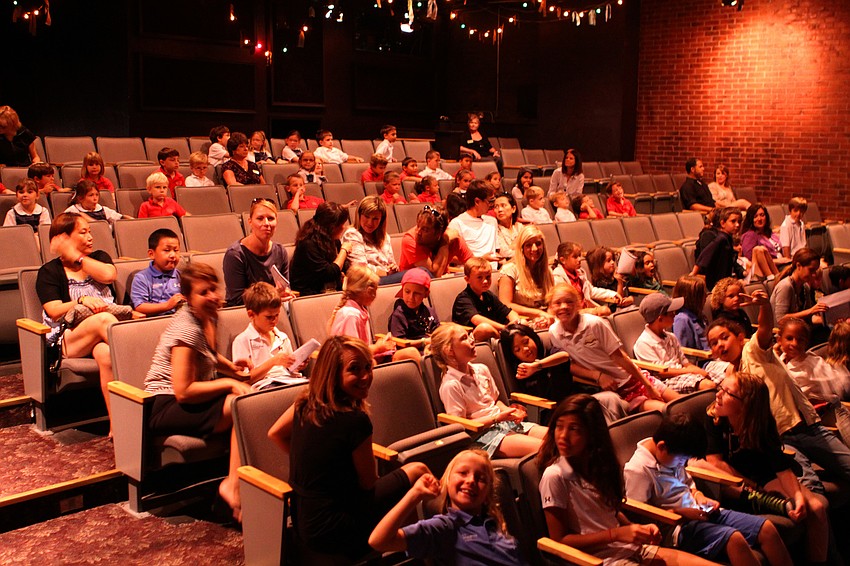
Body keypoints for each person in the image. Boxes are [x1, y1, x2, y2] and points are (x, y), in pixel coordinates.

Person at [268, 336, 429, 558]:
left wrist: (317, 466)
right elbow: (368, 483)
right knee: (416, 472)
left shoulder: (305, 401)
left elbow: (275, 433)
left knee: (405, 481)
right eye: (354, 369)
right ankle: (421, 550)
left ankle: (415, 546)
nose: (365, 376)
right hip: (339, 526)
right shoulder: (355, 421)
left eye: (368, 367)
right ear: (333, 375)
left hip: (304, 520)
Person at [706, 290, 850, 500]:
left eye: (724, 337)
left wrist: (764, 306)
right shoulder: (730, 377)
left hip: (806, 427)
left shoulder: (753, 351)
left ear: (739, 337)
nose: (720, 344)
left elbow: (764, 329)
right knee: (813, 491)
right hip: (780, 440)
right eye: (713, 343)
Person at [538, 395, 712, 566]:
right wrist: (616, 534)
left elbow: (609, 510)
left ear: (591, 434)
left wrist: (637, 530)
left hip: (631, 548)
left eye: (574, 429)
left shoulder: (598, 465)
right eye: (559, 427)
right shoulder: (555, 475)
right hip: (600, 559)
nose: (562, 436)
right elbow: (560, 540)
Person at [143, 262, 252, 521]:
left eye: (214, 289)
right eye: (204, 292)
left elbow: (208, 356)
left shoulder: (208, 316)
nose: (212, 296)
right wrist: (229, 383)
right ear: (188, 298)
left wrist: (231, 368)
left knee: (250, 399)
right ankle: (232, 483)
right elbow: (183, 390)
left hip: (184, 400)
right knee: (240, 404)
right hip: (163, 404)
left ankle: (244, 485)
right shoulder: (186, 329)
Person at [624, 414, 791, 566]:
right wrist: (680, 512)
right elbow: (640, 516)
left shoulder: (671, 450)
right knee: (735, 539)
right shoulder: (638, 470)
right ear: (662, 447)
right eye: (682, 460)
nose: (683, 464)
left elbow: (688, 483)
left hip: (699, 512)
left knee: (767, 529)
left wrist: (699, 495)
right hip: (675, 528)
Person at [700, 371, 831, 564]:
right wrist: (751, 484)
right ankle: (779, 505)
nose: (718, 395)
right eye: (720, 388)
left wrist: (797, 496)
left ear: (746, 404)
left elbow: (781, 468)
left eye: (727, 392)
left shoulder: (762, 423)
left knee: (817, 508)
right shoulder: (714, 418)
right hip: (734, 484)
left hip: (765, 477)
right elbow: (715, 463)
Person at [37, 213, 124, 429]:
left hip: (104, 336)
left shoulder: (99, 257)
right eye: (83, 232)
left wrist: (78, 257)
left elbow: (109, 275)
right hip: (71, 338)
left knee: (106, 356)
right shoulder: (49, 271)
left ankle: (118, 426)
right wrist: (81, 301)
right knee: (104, 319)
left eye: (90, 231)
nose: (90, 237)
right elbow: (54, 310)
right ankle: (133, 356)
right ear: (64, 237)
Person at [369, 449, 529, 565]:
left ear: (488, 492)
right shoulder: (444, 527)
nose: (471, 481)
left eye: (480, 478)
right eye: (463, 473)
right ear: (447, 481)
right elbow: (379, 541)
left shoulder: (494, 523)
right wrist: (414, 495)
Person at [547, 284, 676, 412]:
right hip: (614, 390)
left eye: (569, 302)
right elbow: (569, 364)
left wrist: (647, 385)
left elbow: (619, 356)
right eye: (558, 303)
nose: (564, 307)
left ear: (578, 303)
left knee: (680, 404)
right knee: (664, 410)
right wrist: (597, 375)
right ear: (551, 307)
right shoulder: (554, 332)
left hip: (632, 378)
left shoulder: (594, 324)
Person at [431, 323, 545, 457]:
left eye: (469, 335)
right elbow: (461, 427)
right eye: (464, 338)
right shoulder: (451, 385)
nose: (472, 340)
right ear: (449, 351)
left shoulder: (481, 369)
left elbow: (495, 402)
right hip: (482, 437)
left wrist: (509, 412)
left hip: (504, 424)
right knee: (545, 449)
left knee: (558, 439)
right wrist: (496, 418)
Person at [633, 293, 723, 393]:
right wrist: (692, 371)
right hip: (665, 382)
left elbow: (685, 363)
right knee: (708, 385)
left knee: (722, 379)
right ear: (660, 319)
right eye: (671, 312)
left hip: (683, 374)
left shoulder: (671, 337)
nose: (675, 314)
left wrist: (700, 371)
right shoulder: (644, 343)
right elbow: (661, 373)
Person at [329, 265, 420, 363]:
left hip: (365, 359)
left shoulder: (360, 310)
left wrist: (382, 344)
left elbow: (364, 346)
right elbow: (352, 353)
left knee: (411, 353)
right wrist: (378, 348)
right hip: (354, 366)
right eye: (375, 290)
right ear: (369, 291)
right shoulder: (351, 315)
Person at [231, 282, 303, 386]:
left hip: (288, 381)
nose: (274, 320)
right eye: (269, 317)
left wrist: (298, 364)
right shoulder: (242, 341)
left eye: (277, 315)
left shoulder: (282, 337)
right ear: (251, 315)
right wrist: (273, 361)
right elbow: (244, 380)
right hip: (263, 387)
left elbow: (291, 371)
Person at [223, 197, 290, 306]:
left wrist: (286, 293)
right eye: (260, 218)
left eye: (271, 218)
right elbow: (236, 300)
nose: (266, 223)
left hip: (275, 308)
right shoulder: (235, 254)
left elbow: (285, 287)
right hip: (246, 312)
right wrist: (274, 296)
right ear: (250, 222)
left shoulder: (280, 251)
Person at [775, 317, 850, 406]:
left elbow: (840, 383)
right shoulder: (779, 360)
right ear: (779, 340)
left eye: (800, 340)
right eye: (789, 338)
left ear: (806, 342)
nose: (794, 343)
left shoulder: (813, 363)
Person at [290, 201, 351, 296]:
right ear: (330, 226)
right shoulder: (308, 244)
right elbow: (329, 274)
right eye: (340, 224)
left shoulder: (333, 240)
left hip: (331, 292)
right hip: (310, 296)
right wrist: (344, 250)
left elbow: (345, 266)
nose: (343, 227)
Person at [498, 225, 555, 324]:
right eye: (528, 245)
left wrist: (547, 316)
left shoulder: (547, 271)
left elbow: (552, 301)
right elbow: (505, 304)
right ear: (522, 248)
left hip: (544, 319)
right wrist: (538, 313)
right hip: (521, 321)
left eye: (538, 244)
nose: (534, 249)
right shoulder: (510, 270)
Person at [453, 257, 520, 340]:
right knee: (485, 329)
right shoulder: (463, 299)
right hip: (469, 338)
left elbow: (508, 312)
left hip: (496, 334)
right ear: (467, 279)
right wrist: (505, 328)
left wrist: (517, 322)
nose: (485, 281)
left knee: (522, 324)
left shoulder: (488, 295)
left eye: (488, 277)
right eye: (479, 277)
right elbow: (477, 320)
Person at [343, 195, 403, 284]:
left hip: (386, 279)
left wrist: (393, 267)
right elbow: (361, 268)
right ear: (359, 215)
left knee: (419, 274)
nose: (370, 223)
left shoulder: (384, 237)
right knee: (417, 274)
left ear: (381, 220)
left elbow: (391, 263)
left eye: (375, 219)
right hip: (366, 281)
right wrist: (386, 272)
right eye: (367, 217)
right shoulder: (352, 234)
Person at [769, 247, 827, 338]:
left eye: (815, 271)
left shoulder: (805, 287)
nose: (813, 275)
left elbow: (807, 318)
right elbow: (781, 320)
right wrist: (811, 310)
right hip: (783, 336)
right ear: (798, 266)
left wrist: (826, 320)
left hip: (799, 331)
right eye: (811, 270)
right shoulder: (786, 286)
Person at [399, 206, 472, 277]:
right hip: (412, 285)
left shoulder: (454, 238)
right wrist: (445, 242)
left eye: (425, 230)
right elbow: (433, 275)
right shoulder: (410, 240)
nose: (418, 232)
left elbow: (474, 265)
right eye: (418, 226)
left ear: (438, 233)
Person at [130, 228, 184, 316]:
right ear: (152, 254)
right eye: (167, 250)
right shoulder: (142, 278)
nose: (173, 255)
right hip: (154, 322)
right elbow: (139, 306)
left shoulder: (181, 276)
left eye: (176, 250)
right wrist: (167, 305)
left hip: (180, 319)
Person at [551, 242, 614, 317]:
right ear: (563, 260)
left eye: (579, 255)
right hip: (572, 314)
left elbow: (591, 291)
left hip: (585, 311)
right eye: (575, 257)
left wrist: (613, 294)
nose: (579, 259)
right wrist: (590, 311)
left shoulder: (580, 272)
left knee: (606, 312)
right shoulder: (558, 277)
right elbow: (565, 303)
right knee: (604, 311)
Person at [691, 206, 743, 290]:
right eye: (733, 221)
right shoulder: (721, 238)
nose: (737, 225)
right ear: (722, 223)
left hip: (725, 281)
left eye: (739, 221)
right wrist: (693, 274)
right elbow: (705, 255)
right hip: (717, 282)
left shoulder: (728, 238)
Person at [448, 181, 499, 264]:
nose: (492, 205)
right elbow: (451, 257)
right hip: (470, 273)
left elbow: (496, 251)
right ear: (477, 201)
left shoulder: (492, 221)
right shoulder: (457, 223)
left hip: (493, 272)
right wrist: (480, 259)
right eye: (490, 201)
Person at [388, 268, 439, 350]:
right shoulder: (399, 315)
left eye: (416, 293)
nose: (411, 297)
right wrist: (424, 342)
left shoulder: (430, 312)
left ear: (426, 294)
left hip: (431, 349)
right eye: (407, 292)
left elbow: (438, 334)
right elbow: (400, 343)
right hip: (409, 352)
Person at [740, 204, 783, 280]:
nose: (759, 219)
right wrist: (778, 261)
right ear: (751, 219)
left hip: (778, 265)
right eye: (755, 216)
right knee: (759, 249)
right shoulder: (750, 235)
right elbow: (750, 260)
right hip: (762, 270)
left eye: (762, 215)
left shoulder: (770, 233)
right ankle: (772, 278)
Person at [672, 275, 710, 351]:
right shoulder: (682, 320)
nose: (706, 296)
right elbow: (685, 353)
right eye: (702, 293)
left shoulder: (700, 315)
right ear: (693, 297)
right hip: (702, 360)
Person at [493, 192, 521, 261]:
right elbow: (504, 253)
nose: (499, 210)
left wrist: (512, 246)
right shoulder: (494, 230)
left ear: (513, 209)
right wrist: (518, 243)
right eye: (496, 207)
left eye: (503, 205)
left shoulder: (520, 227)